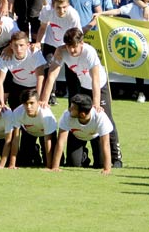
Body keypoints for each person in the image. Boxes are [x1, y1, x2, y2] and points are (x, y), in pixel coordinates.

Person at [40, 28, 122, 168]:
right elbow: (52, 76)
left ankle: (116, 158)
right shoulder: (60, 52)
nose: (72, 50)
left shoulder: (89, 52)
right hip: (83, 86)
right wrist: (44, 100)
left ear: (81, 43)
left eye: (75, 46)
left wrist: (96, 104)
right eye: (69, 47)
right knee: (76, 116)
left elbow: (95, 79)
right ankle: (81, 156)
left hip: (99, 87)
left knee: (105, 117)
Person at [51, 93, 113, 175]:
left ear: (82, 114)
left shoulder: (100, 117)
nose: (69, 109)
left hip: (96, 136)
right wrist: (55, 167)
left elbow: (106, 144)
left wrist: (107, 169)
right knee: (74, 164)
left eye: (73, 108)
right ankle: (84, 156)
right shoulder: (67, 115)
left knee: (100, 164)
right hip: (76, 136)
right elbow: (61, 142)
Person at [0, 31, 46, 110]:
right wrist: (1, 103)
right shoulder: (5, 56)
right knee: (15, 113)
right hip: (17, 86)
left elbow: (40, 78)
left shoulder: (34, 53)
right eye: (15, 45)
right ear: (10, 46)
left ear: (27, 45)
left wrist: (38, 99)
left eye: (21, 45)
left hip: (34, 87)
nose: (18, 49)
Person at [9, 89, 57, 168]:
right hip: (29, 132)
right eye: (25, 104)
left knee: (56, 161)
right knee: (24, 162)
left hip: (47, 134)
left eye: (32, 103)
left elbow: (47, 140)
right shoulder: (17, 112)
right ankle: (34, 151)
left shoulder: (45, 114)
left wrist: (49, 166)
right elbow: (16, 138)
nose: (28, 107)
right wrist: (12, 164)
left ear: (38, 102)